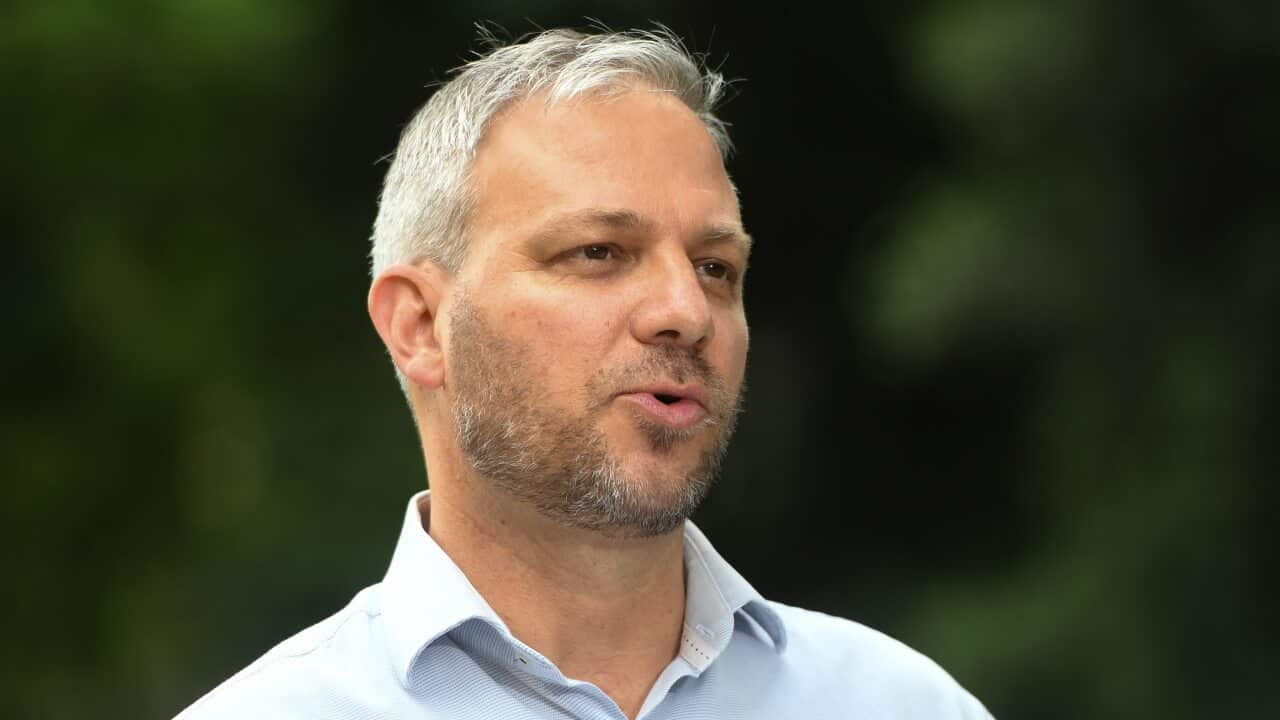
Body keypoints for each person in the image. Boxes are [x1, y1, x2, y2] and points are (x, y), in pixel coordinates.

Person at [176, 27, 994, 720]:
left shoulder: (903, 705)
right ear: (420, 326)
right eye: (599, 252)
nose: (686, 310)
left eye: (716, 267)